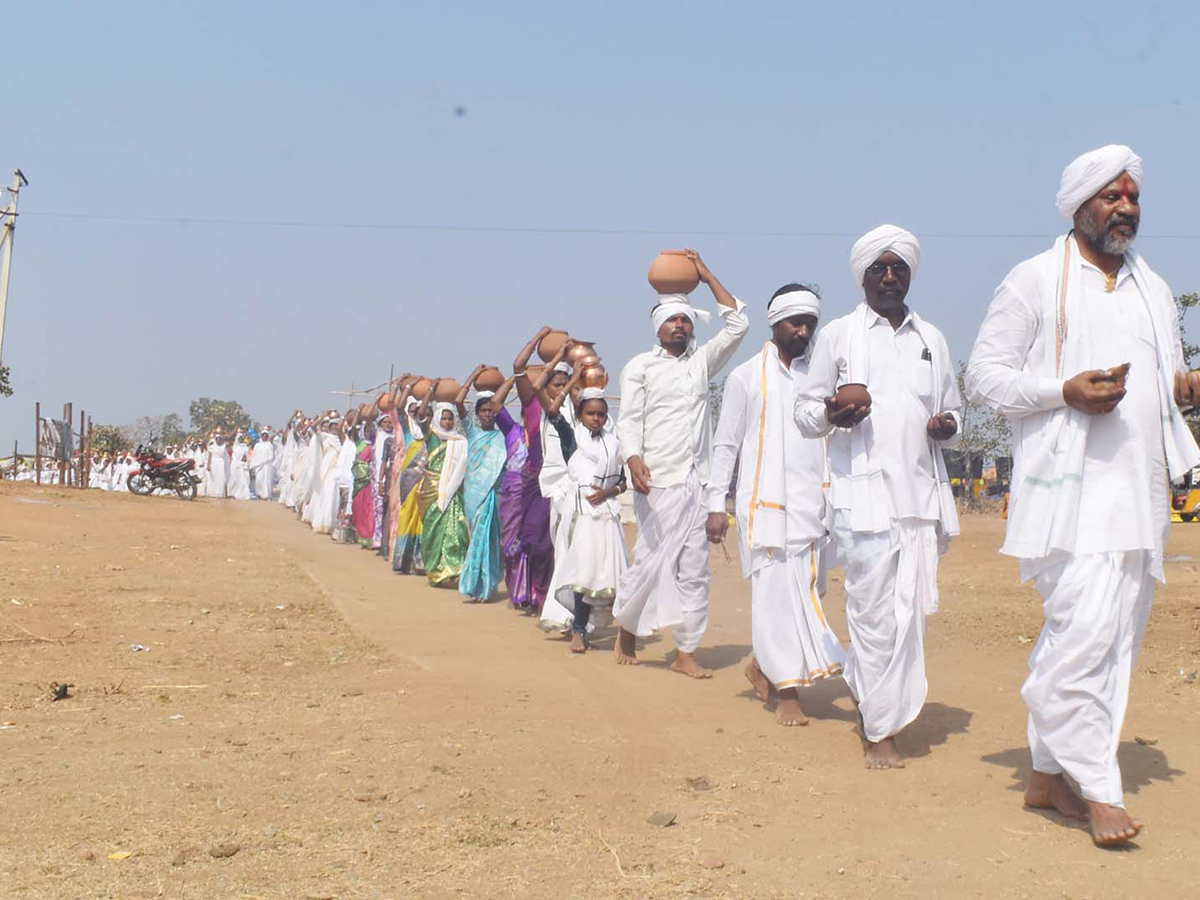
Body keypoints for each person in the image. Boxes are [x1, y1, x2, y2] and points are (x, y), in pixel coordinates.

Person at [965, 144, 1200, 846]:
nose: (1126, 206)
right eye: (1111, 196)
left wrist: (1181, 387)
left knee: (1110, 638)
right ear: (1079, 205)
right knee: (1083, 638)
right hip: (1067, 493)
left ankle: (1044, 777)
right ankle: (1098, 787)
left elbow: (1164, 379)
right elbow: (984, 376)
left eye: (1132, 196)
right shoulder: (1033, 281)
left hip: (1139, 491)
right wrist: (1060, 391)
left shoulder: (1154, 290)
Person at [795, 225, 961, 769]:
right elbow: (804, 412)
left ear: (910, 273)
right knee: (872, 615)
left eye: (898, 267)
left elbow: (956, 412)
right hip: (861, 499)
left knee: (910, 616)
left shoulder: (929, 339)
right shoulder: (839, 335)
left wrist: (946, 426)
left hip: (920, 499)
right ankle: (879, 729)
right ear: (862, 275)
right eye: (879, 268)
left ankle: (884, 710)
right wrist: (831, 414)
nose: (890, 276)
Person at [707, 283, 847, 726]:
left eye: (810, 322)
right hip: (764, 509)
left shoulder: (824, 379)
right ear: (775, 323)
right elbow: (725, 445)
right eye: (795, 322)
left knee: (806, 593)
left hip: (813, 508)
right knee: (774, 599)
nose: (804, 331)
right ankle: (788, 691)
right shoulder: (746, 377)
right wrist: (716, 503)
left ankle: (763, 664)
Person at [614, 249, 749, 676]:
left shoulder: (701, 364)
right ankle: (628, 628)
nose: (681, 326)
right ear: (658, 326)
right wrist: (632, 458)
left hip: (699, 481)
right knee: (650, 563)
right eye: (674, 320)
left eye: (687, 320)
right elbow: (629, 420)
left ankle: (685, 652)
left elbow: (739, 324)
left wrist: (707, 275)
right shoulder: (640, 367)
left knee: (695, 570)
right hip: (656, 483)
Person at [537, 369, 628, 653]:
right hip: (581, 514)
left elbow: (623, 482)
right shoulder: (571, 436)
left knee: (608, 574)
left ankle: (614, 632)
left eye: (601, 414)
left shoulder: (614, 443)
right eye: (590, 414)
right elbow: (551, 408)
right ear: (580, 415)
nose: (596, 419)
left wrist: (608, 492)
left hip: (608, 513)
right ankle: (577, 630)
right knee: (582, 572)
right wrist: (573, 382)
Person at [457, 366, 510, 601]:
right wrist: (473, 375)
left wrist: (509, 382)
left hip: (495, 494)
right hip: (474, 494)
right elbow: (459, 401)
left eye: (491, 411)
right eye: (484, 411)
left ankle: (486, 587)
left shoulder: (503, 436)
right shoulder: (472, 432)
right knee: (476, 538)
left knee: (490, 540)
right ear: (477, 414)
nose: (488, 414)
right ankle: (473, 584)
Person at [415, 381, 471, 587]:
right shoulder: (433, 437)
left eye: (450, 418)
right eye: (443, 418)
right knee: (432, 530)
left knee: (456, 529)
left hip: (453, 489)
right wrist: (430, 391)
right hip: (432, 487)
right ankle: (435, 570)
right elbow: (420, 416)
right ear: (438, 419)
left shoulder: (460, 441)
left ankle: (454, 569)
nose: (447, 422)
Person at [392, 390, 432, 574]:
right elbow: (399, 408)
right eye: (415, 412)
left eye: (423, 412)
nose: (419, 414)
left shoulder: (435, 432)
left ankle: (420, 560)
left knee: (424, 520)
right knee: (407, 517)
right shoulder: (409, 430)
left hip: (428, 482)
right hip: (409, 481)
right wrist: (410, 387)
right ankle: (403, 560)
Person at [352, 416, 378, 547]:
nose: (369, 432)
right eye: (366, 430)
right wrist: (358, 414)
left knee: (369, 509)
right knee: (358, 508)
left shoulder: (375, 444)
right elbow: (352, 429)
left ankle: (369, 536)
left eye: (371, 430)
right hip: (359, 481)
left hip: (369, 480)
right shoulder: (360, 443)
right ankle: (361, 536)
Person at [249, 432, 276, 501]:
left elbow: (271, 456)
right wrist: (254, 464)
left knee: (266, 481)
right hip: (258, 466)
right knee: (259, 480)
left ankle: (267, 495)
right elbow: (254, 456)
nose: (264, 437)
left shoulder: (269, 445)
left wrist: (264, 461)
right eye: (263, 436)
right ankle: (259, 494)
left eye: (266, 436)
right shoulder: (257, 445)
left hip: (267, 466)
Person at [228, 433, 252, 500]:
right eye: (239, 438)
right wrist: (235, 430)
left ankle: (240, 494)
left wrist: (246, 433)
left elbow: (251, 440)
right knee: (233, 479)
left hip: (241, 465)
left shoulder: (245, 447)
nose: (241, 439)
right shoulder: (235, 446)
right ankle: (231, 493)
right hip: (234, 465)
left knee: (242, 480)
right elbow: (229, 438)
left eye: (242, 438)